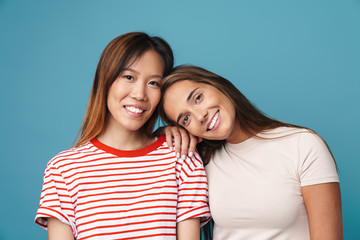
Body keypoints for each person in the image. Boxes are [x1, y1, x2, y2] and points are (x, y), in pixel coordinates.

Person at [35, 33, 210, 240]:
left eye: (154, 83)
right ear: (105, 80)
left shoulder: (182, 158)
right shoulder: (63, 170)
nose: (139, 94)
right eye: (129, 77)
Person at [158, 65, 343, 240]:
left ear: (217, 84)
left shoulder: (303, 144)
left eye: (198, 98)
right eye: (186, 119)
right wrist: (160, 136)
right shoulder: (200, 164)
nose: (200, 116)